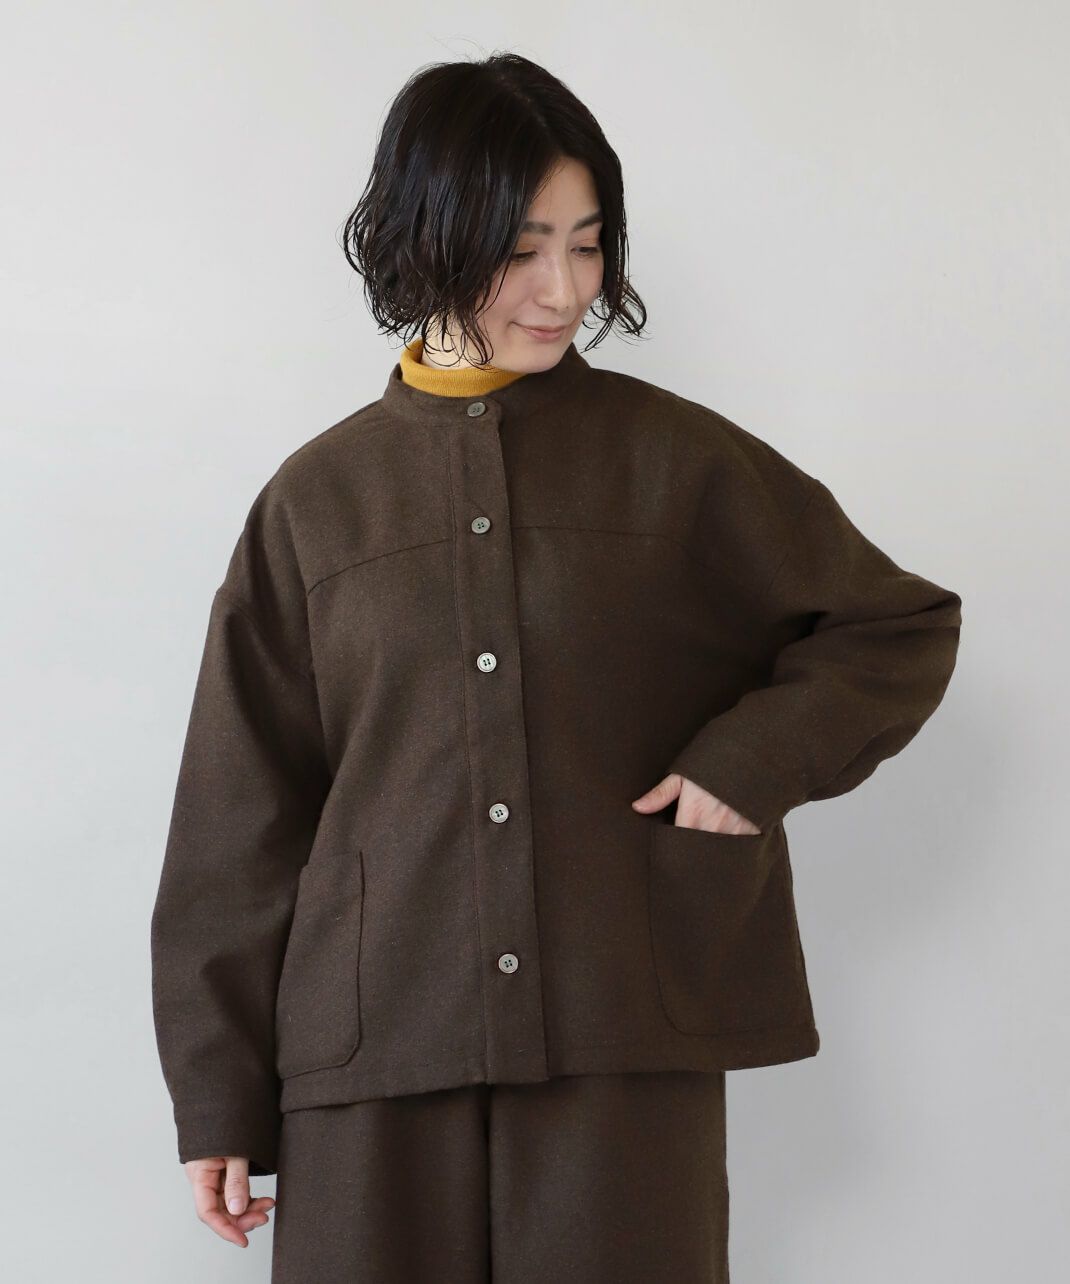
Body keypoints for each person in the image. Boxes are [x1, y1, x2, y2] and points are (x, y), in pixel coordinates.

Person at [150, 52, 962, 1281]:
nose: (563, 288)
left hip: (617, 1031)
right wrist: (217, 1095)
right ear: (425, 236)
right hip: (374, 1051)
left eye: (586, 247)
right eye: (521, 248)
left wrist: (748, 762)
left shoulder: (678, 463)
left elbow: (893, 623)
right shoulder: (316, 503)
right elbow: (238, 819)